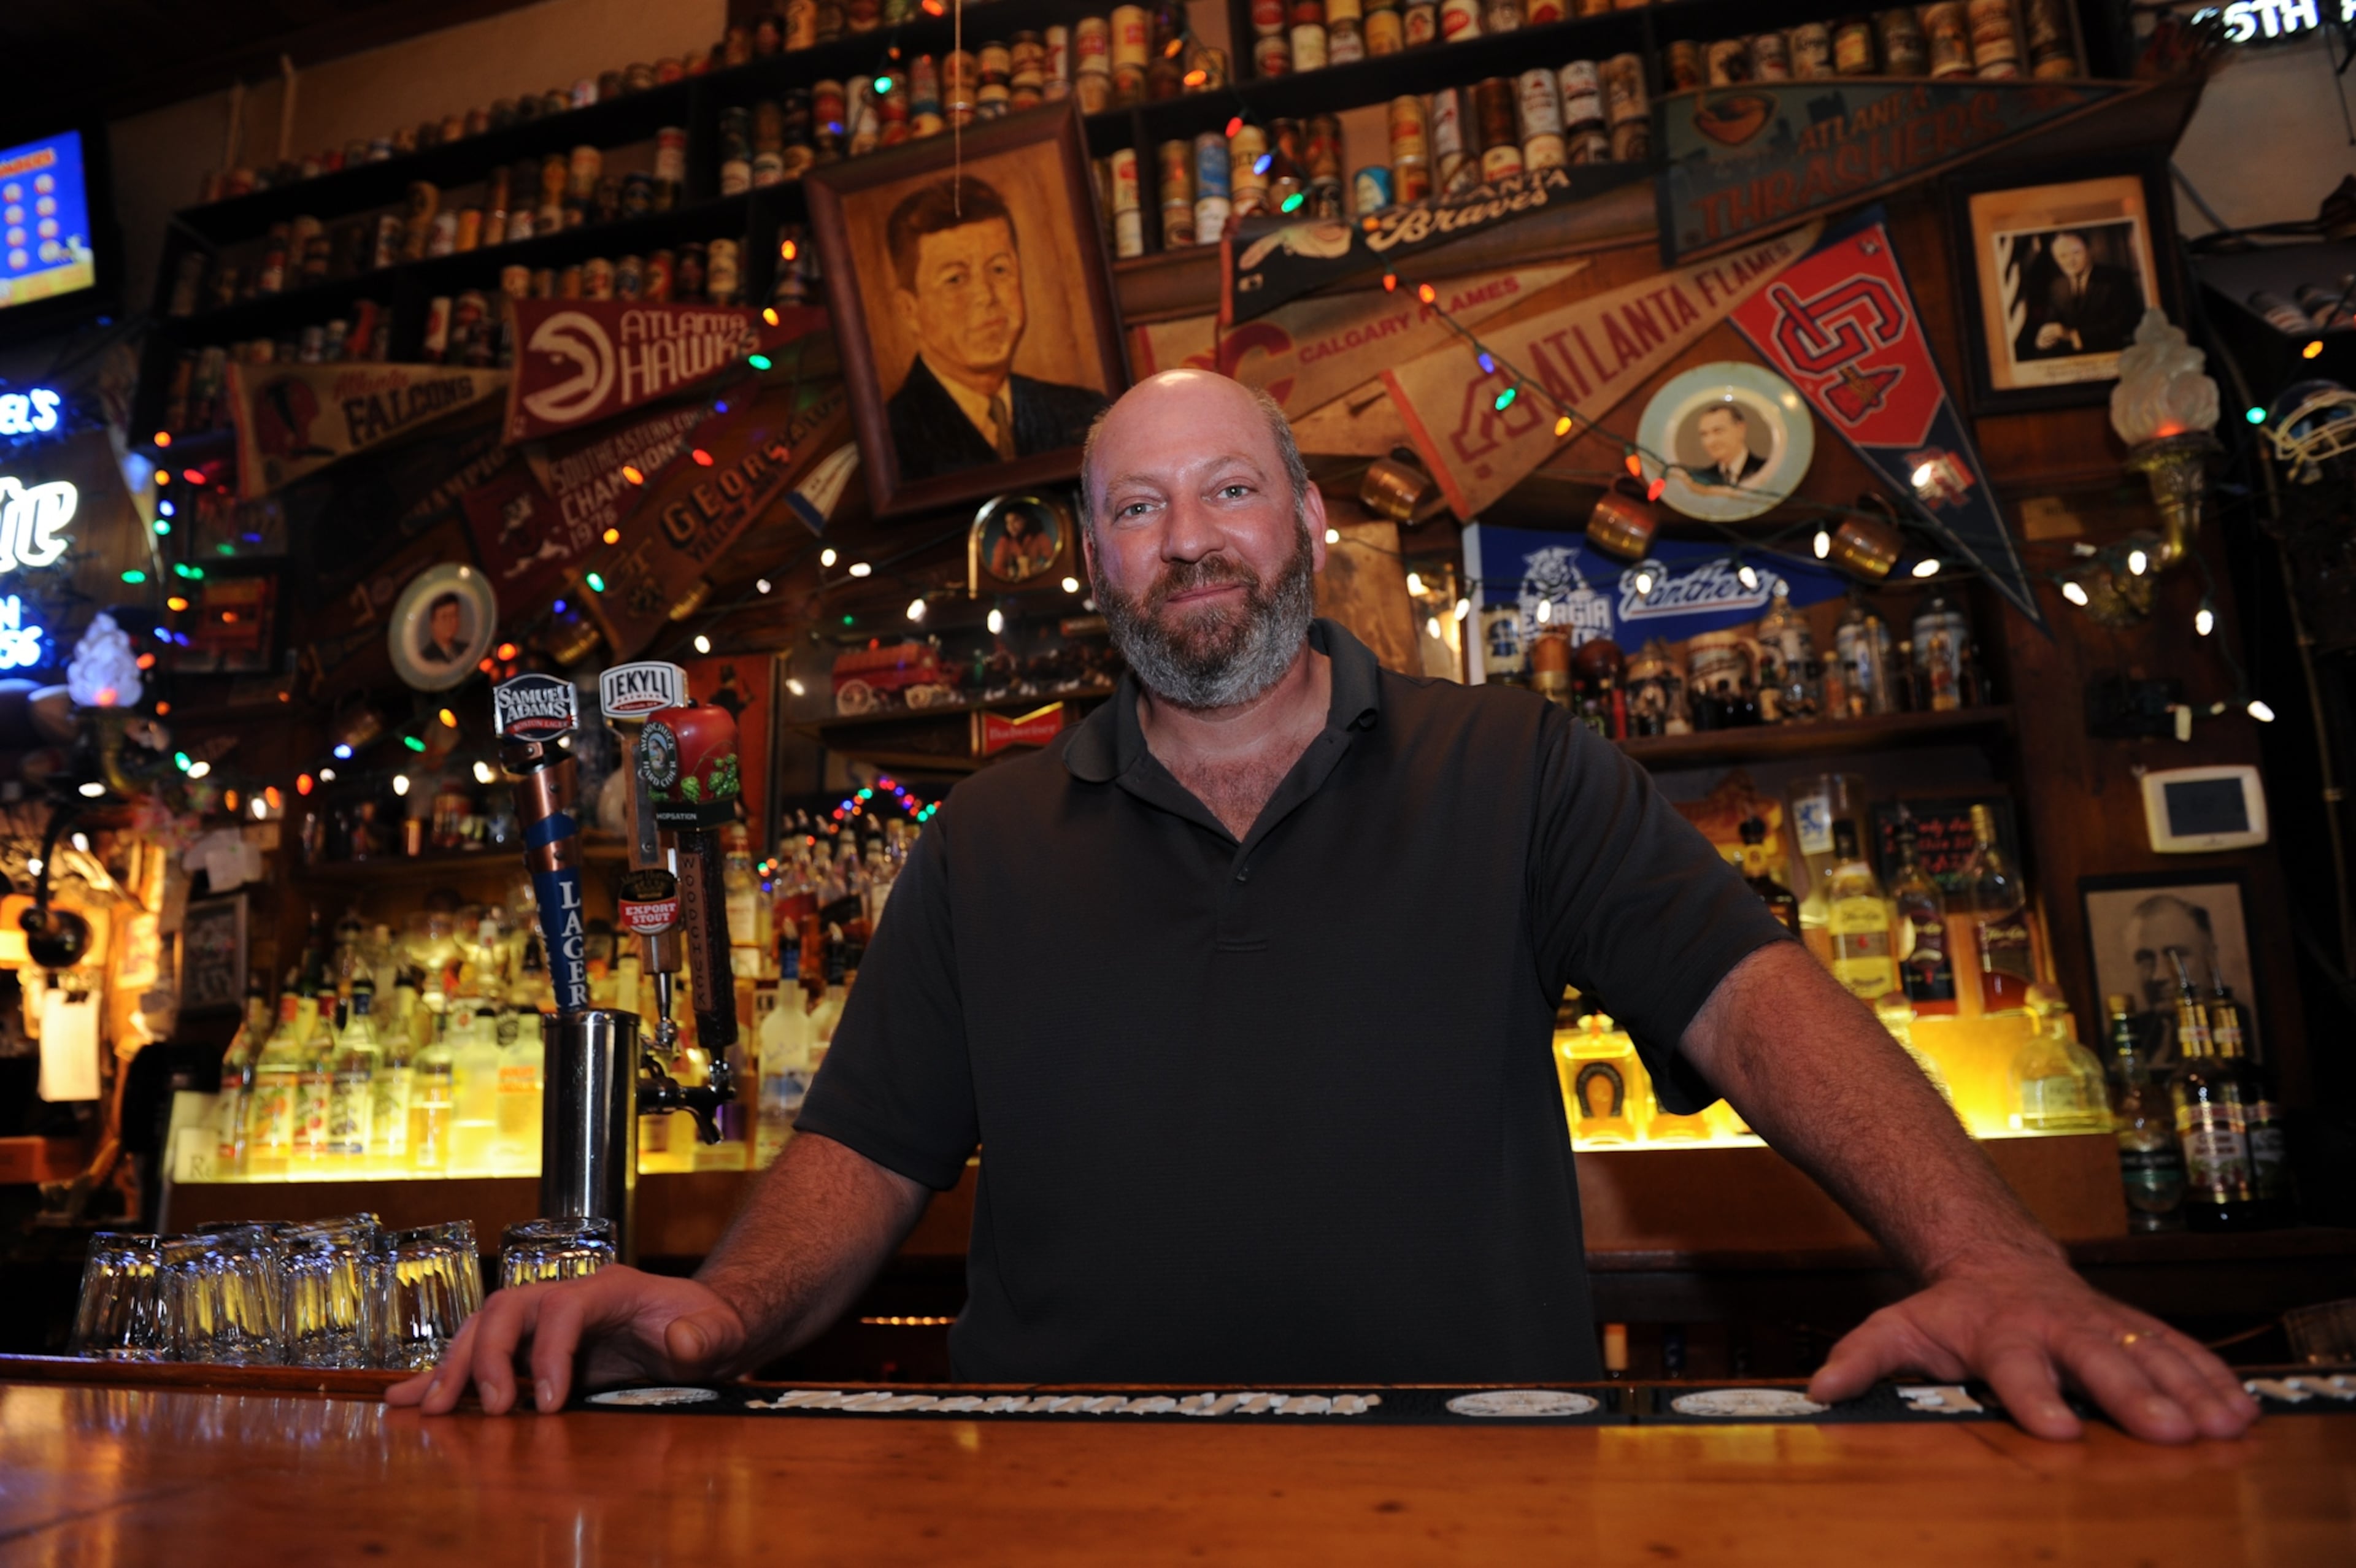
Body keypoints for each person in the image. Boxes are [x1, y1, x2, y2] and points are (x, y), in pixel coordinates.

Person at [391, 370, 2255, 1446]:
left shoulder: (1516, 767)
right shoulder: (983, 838)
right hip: (1057, 1498)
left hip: (1469, 1487)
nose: (1185, 539)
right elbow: (863, 1156)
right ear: (1093, 563)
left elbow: (1751, 998)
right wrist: (719, 1318)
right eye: (1134, 508)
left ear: (1300, 520)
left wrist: (1988, 1258)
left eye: (1224, 490)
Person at [881, 175, 1108, 481]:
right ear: (909, 309)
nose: (986, 297)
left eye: (999, 270)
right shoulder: (889, 441)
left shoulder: (1085, 414)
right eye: (955, 280)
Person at [2124, 893, 2223, 1068]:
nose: (2158, 976)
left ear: (2210, 959)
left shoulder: (2242, 1027)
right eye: (2146, 958)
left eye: (2176, 955)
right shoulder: (2134, 1034)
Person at [2015, 231, 2143, 361]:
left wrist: (2072, 335)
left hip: (2112, 356)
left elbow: (2127, 324)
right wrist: (2046, 335)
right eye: (2062, 256)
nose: (2070, 261)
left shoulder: (2117, 278)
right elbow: (2052, 321)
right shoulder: (2057, 286)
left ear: (2090, 250)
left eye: (2076, 253)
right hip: (2071, 360)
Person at [1691, 401, 1766, 488]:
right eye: (1704, 434)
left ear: (1741, 430)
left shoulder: (1766, 470)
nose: (1711, 441)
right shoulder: (1701, 480)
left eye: (1718, 431)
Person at [987, 508, 1059, 581]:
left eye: (1015, 521)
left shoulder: (1040, 537)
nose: (1011, 527)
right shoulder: (1003, 542)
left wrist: (1040, 568)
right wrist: (1013, 572)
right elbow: (996, 569)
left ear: (1026, 520)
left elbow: (1052, 561)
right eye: (1008, 523)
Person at [415, 593, 468, 665]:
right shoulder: (424, 659)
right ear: (433, 623)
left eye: (454, 615)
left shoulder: (467, 650)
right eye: (444, 617)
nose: (450, 622)